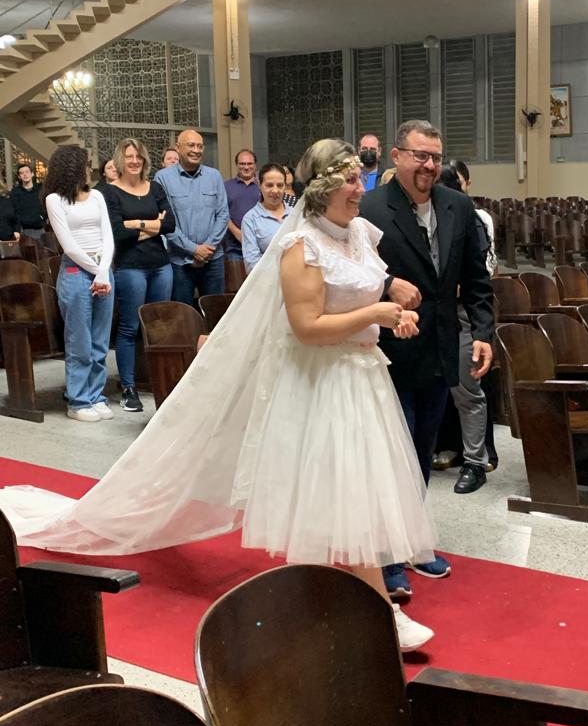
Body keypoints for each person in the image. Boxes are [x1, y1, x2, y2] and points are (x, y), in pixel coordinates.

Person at [0, 138, 436, 653]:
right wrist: (376, 314)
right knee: (337, 492)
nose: (359, 187)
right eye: (348, 179)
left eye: (358, 178)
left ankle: (338, 603)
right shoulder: (301, 246)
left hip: (363, 376)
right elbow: (307, 326)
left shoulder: (361, 232)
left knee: (352, 490)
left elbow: (358, 285)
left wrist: (393, 304)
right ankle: (373, 609)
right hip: (320, 379)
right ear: (323, 187)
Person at [359, 120, 494, 596]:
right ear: (396, 156)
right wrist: (385, 284)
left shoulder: (458, 205)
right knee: (391, 454)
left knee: (420, 449)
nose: (429, 165)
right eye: (420, 155)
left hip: (439, 347)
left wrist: (483, 332)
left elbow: (475, 278)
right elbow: (346, 274)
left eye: (435, 157)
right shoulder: (370, 208)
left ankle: (412, 539)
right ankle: (387, 556)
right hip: (389, 351)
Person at [435, 161, 496, 495]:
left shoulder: (469, 218)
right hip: (423, 313)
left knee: (467, 390)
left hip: (460, 314)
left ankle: (475, 461)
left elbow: (478, 275)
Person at [103, 138, 175, 414]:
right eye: (129, 156)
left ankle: (160, 380)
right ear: (120, 161)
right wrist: (153, 225)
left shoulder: (154, 187)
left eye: (138, 157)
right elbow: (117, 233)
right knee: (129, 327)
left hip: (161, 265)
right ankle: (129, 388)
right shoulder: (109, 192)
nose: (134, 161)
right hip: (130, 267)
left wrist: (135, 223)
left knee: (158, 327)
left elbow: (170, 224)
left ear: (144, 160)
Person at [43, 145, 114, 423]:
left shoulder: (97, 196)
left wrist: (104, 271)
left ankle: (96, 396)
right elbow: (69, 246)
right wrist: (97, 271)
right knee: (79, 341)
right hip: (76, 272)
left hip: (103, 271)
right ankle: (78, 401)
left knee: (99, 341)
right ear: (72, 167)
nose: (90, 169)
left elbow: (107, 236)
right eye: (86, 164)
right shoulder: (54, 200)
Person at [155, 129, 229, 306]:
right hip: (180, 262)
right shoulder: (162, 178)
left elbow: (223, 214)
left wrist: (207, 249)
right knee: (182, 315)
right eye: (191, 145)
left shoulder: (214, 176)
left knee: (215, 313)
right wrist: (194, 249)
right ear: (178, 147)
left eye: (200, 146)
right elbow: (166, 222)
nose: (196, 150)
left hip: (213, 259)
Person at [241, 163, 288, 272]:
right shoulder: (250, 219)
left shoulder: (296, 214)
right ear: (260, 185)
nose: (275, 190)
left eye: (280, 185)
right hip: (267, 279)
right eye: (269, 185)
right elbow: (251, 264)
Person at [223, 149, 261, 261]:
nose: (246, 167)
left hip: (261, 247)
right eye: (242, 164)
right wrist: (237, 233)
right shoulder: (226, 186)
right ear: (236, 165)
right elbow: (222, 213)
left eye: (250, 163)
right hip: (235, 249)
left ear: (255, 165)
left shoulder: (263, 186)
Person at [11, 164, 45, 239]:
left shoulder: (40, 189)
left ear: (32, 174)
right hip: (24, 229)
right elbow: (15, 211)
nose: (25, 174)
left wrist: (43, 217)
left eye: (27, 172)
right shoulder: (15, 192)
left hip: (41, 227)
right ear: (19, 177)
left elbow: (46, 204)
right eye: (22, 173)